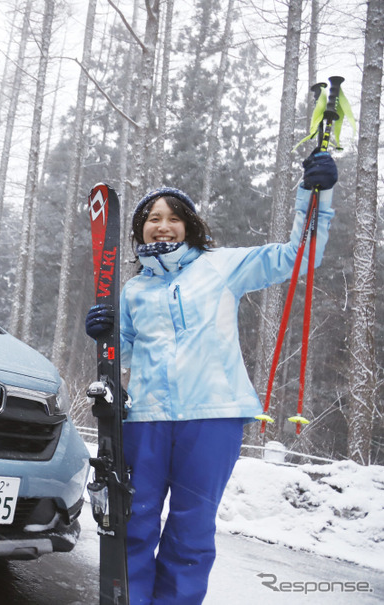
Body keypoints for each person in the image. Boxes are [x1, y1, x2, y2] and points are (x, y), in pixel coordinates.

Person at [84, 150, 338, 604]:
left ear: (190, 225)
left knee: (191, 532)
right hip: (144, 420)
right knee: (134, 522)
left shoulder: (221, 267)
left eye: (173, 217)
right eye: (152, 218)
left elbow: (298, 255)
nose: (162, 225)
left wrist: (314, 196)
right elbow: (119, 354)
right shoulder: (134, 289)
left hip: (214, 417)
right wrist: (103, 331)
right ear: (140, 228)